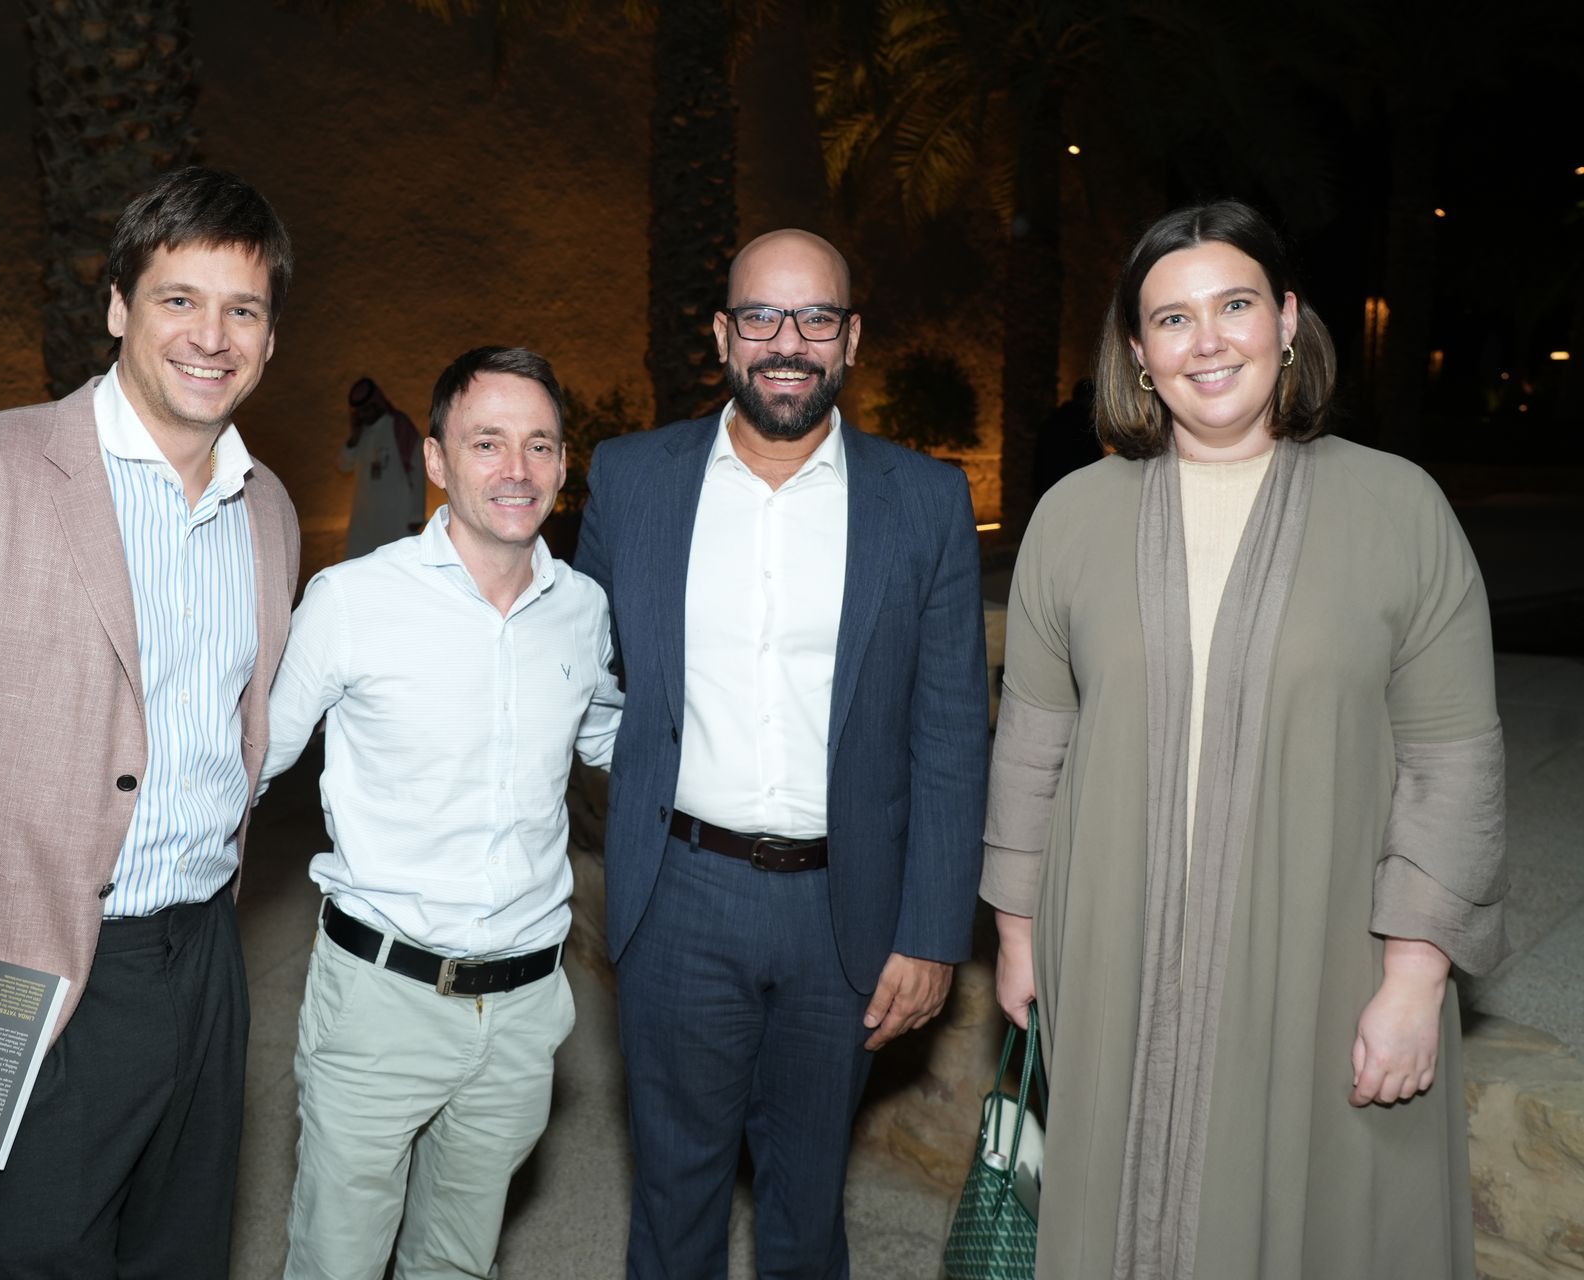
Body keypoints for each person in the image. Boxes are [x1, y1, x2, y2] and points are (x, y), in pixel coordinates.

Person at [982, 200, 1506, 1280]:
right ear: (1138, 352)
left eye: (1235, 306)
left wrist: (1415, 980)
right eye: (1172, 319)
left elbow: (1452, 764)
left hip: (1325, 964)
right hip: (1111, 954)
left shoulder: (1399, 509)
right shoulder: (1072, 518)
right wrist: (1021, 934)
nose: (1207, 341)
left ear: (1288, 320)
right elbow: (1033, 744)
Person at [0, 166, 301, 1278]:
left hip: (205, 965)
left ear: (271, 338)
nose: (211, 336)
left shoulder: (267, 509)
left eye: (243, 309)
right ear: (119, 307)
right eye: (179, 299)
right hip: (20, 976)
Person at [576, 229, 989, 1278]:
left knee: (807, 1202)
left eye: (816, 318)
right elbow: (580, 666)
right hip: (678, 896)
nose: (788, 342)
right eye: (761, 316)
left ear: (851, 339)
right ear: (723, 334)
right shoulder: (632, 479)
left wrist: (933, 931)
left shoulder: (924, 499)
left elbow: (950, 731)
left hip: (844, 909)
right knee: (674, 1198)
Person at [262, 346, 625, 1280]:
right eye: (487, 442)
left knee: (458, 1264)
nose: (517, 470)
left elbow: (613, 739)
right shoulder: (353, 601)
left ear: (563, 464)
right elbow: (247, 762)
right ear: (435, 459)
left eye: (539, 445)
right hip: (380, 1002)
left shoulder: (582, 609)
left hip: (526, 1010)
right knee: (336, 1263)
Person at [338, 375, 426, 558]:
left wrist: (417, 514)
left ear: (377, 403)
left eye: (367, 409)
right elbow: (344, 466)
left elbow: (417, 468)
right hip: (365, 518)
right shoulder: (361, 433)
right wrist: (354, 437)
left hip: (397, 515)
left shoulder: (399, 425)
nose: (364, 415)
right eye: (360, 411)